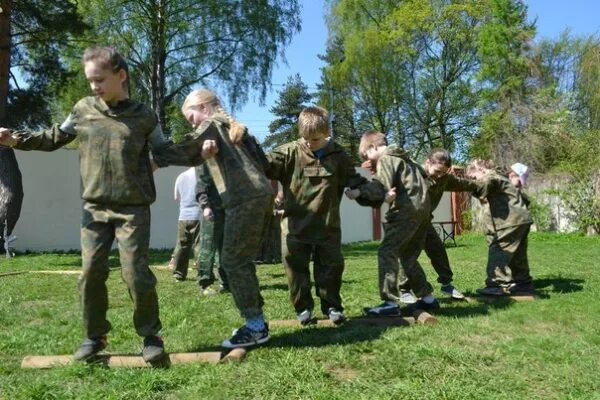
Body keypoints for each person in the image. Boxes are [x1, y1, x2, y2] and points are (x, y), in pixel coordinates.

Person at [0, 47, 214, 362]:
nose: (94, 86)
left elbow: (165, 151)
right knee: (90, 273)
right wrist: (15, 138)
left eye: (99, 79)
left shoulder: (143, 116)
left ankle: (151, 336)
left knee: (135, 274)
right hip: (94, 208)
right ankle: (94, 336)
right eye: (90, 81)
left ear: (121, 75)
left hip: (133, 209)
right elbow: (54, 137)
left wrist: (200, 151)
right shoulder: (83, 110)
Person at [347, 133, 478, 315]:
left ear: (372, 147)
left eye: (367, 156)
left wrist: (358, 192)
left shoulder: (387, 159)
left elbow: (379, 187)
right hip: (423, 213)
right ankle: (428, 299)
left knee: (387, 251)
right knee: (407, 257)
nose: (369, 161)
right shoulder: (409, 160)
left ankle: (390, 304)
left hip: (406, 212)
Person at [181, 88, 273, 348]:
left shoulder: (211, 124)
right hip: (257, 196)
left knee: (233, 261)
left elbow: (186, 150)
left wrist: (154, 158)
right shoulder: (233, 127)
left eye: (191, 118)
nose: (193, 124)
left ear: (205, 108)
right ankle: (257, 321)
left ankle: (255, 327)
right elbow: (264, 163)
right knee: (239, 260)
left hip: (244, 200)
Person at [265, 106, 369, 325]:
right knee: (295, 271)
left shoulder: (338, 155)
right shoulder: (289, 153)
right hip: (295, 227)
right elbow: (262, 164)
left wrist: (368, 191)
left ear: (327, 132)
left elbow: (355, 180)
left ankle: (332, 307)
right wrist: (242, 144)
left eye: (316, 139)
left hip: (327, 227)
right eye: (306, 139)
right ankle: (303, 309)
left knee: (331, 269)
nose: (310, 143)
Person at [465, 159, 534, 295]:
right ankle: (523, 283)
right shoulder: (502, 178)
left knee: (498, 251)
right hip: (521, 219)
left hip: (511, 221)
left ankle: (496, 285)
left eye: (474, 177)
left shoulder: (490, 176)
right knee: (518, 255)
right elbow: (524, 199)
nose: (473, 180)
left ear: (481, 169)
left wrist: (469, 186)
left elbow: (483, 185)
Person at [194, 163, 228, 295]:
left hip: (227, 209)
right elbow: (201, 184)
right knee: (207, 249)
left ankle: (226, 282)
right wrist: (205, 206)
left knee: (224, 249)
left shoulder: (226, 156)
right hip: (213, 210)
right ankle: (204, 284)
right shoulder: (206, 160)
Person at [171, 167, 201, 282]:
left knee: (182, 245)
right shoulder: (202, 176)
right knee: (199, 245)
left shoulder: (181, 176)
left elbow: (176, 197)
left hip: (183, 216)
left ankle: (179, 274)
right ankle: (201, 273)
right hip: (198, 215)